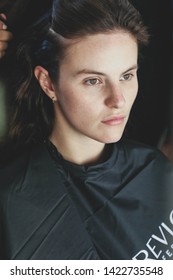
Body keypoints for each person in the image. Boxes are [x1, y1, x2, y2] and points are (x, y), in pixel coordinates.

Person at [0, 0, 172, 260]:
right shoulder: (14, 205)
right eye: (93, 80)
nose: (118, 100)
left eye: (126, 76)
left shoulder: (157, 168)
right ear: (48, 83)